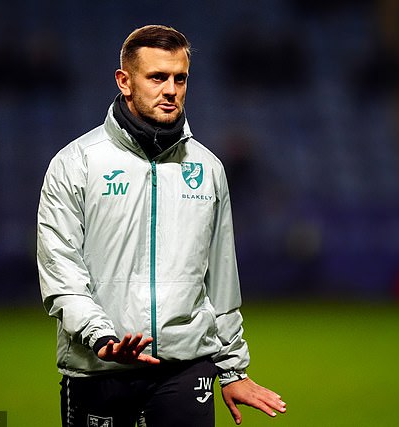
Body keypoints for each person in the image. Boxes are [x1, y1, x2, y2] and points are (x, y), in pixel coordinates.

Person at [37, 24, 287, 426]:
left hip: (186, 370)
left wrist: (233, 369)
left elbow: (221, 281)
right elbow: (61, 271)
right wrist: (100, 337)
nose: (171, 89)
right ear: (125, 81)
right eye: (157, 77)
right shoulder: (75, 164)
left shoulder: (207, 169)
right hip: (100, 368)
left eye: (180, 78)